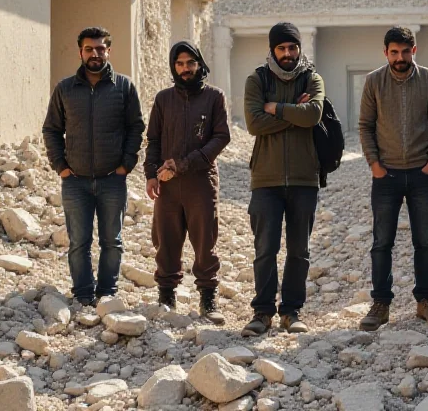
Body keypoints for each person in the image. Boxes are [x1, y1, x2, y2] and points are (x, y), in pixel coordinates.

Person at [43, 27, 144, 307]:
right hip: (75, 181)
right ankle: (84, 294)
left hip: (113, 179)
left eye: (100, 49)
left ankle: (107, 292)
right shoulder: (65, 89)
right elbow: (51, 129)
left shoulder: (124, 87)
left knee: (112, 241)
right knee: (79, 242)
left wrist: (127, 164)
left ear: (108, 51)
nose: (95, 54)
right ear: (81, 52)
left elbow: (136, 127)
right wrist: (60, 166)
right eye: (89, 49)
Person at [357, 26, 428, 331]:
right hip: (386, 176)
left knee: (424, 241)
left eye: (405, 52)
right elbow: (365, 126)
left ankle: (425, 301)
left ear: (414, 50)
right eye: (394, 52)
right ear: (385, 53)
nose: (400, 58)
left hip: (422, 174)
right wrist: (375, 165)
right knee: (382, 242)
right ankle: (381, 304)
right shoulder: (373, 81)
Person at [242, 22, 325, 337]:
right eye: (282, 48)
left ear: (299, 48)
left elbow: (313, 114)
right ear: (272, 50)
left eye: (292, 47)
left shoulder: (312, 78)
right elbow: (254, 123)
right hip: (266, 179)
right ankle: (262, 312)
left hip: (305, 178)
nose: (288, 54)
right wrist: (295, 113)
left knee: (299, 250)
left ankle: (291, 311)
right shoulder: (257, 80)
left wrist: (276, 108)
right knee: (265, 248)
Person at [144, 41, 230, 324]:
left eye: (190, 63)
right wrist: (151, 174)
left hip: (200, 180)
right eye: (179, 64)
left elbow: (221, 137)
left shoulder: (214, 97)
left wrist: (186, 163)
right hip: (167, 183)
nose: (185, 69)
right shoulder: (163, 99)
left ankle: (208, 298)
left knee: (205, 239)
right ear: (173, 66)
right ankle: (166, 296)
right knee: (166, 238)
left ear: (199, 64)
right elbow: (153, 140)